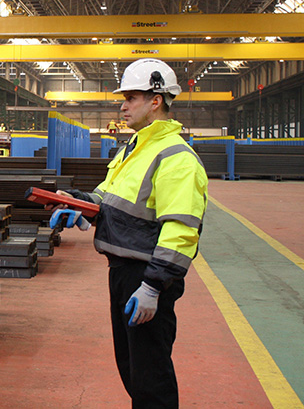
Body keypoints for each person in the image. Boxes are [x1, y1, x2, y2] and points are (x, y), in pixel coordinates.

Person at [47, 58, 208, 408]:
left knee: (151, 375)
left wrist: (152, 287)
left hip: (146, 276)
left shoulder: (176, 158)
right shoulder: (134, 149)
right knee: (133, 369)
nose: (122, 105)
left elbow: (180, 231)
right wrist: (78, 202)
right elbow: (107, 196)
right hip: (122, 273)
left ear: (156, 100)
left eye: (131, 97)